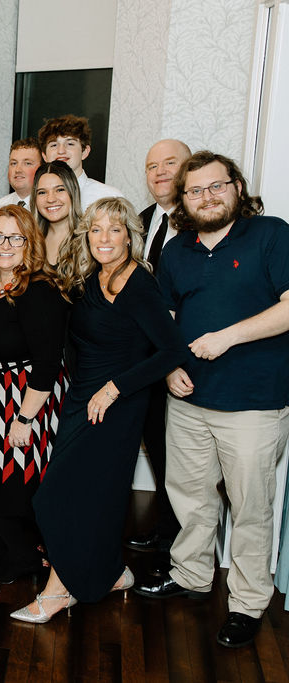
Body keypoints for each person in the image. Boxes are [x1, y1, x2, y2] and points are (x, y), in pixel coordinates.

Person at [134, 152, 289, 649]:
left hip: (253, 405)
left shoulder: (270, 234)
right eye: (195, 191)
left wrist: (228, 337)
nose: (207, 197)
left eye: (216, 186)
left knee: (249, 508)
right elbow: (168, 322)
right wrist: (172, 366)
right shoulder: (177, 251)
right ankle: (193, 575)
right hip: (189, 401)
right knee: (190, 499)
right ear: (183, 201)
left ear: (236, 188)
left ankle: (246, 602)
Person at [12, 197, 187, 623]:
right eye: (95, 230)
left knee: (61, 498)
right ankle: (110, 574)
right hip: (80, 399)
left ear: (131, 235)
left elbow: (172, 350)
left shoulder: (139, 284)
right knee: (95, 496)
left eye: (114, 230)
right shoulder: (90, 278)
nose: (104, 239)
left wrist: (115, 388)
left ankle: (59, 591)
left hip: (117, 404)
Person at [0, 206, 68, 584]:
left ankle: (26, 557)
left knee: (5, 483)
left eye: (16, 238)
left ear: (30, 244)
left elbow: (48, 363)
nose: (6, 245)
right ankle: (11, 551)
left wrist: (25, 419)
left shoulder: (39, 290)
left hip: (26, 396)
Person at [125, 138, 193, 555]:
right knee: (158, 451)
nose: (160, 172)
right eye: (152, 166)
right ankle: (163, 534)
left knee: (183, 462)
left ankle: (179, 546)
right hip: (143, 361)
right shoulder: (141, 219)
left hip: (184, 361)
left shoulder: (201, 223)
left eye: (170, 163)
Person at [38, 114, 123, 210]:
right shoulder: (37, 200)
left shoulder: (108, 197)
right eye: (54, 145)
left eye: (70, 144)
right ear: (44, 156)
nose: (61, 151)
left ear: (85, 152)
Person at [31, 162, 83, 279]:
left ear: (72, 192)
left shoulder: (88, 240)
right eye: (42, 192)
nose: (51, 199)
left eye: (59, 190)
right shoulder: (28, 241)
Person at [0, 138, 42, 217]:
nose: (18, 170)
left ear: (42, 168)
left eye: (27, 163)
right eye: (14, 163)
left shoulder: (48, 207)